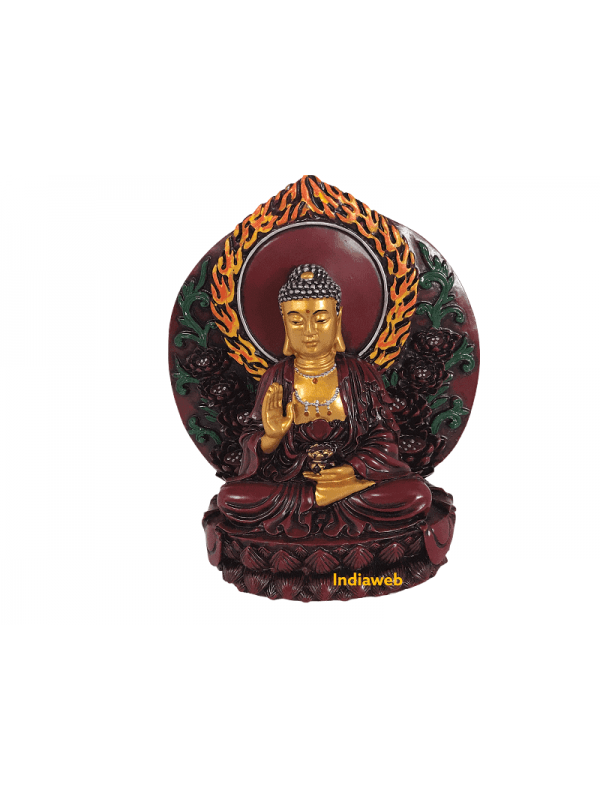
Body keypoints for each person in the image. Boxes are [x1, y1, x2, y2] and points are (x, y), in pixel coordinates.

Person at [217, 265, 432, 538]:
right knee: (230, 498)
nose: (309, 331)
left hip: (351, 483)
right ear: (284, 323)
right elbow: (252, 443)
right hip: (293, 486)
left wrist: (352, 470)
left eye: (320, 319)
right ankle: (323, 497)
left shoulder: (360, 374)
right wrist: (271, 438)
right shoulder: (276, 377)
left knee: (417, 494)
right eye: (296, 321)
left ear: (337, 318)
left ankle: (329, 496)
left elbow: (385, 436)